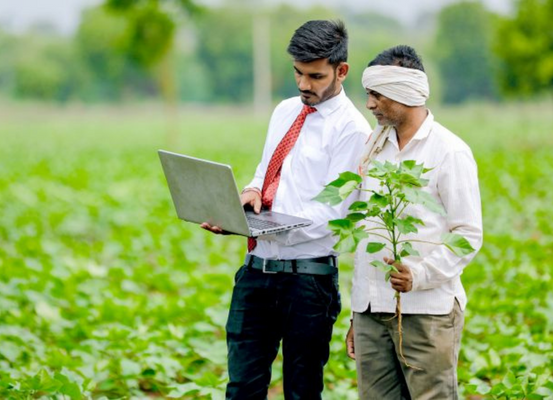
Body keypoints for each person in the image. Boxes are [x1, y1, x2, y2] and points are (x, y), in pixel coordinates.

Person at [201, 20, 371, 400]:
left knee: (301, 392)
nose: (303, 85)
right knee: (241, 388)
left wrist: (266, 226)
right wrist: (248, 197)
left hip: (307, 282)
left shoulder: (352, 130)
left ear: (341, 71)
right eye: (297, 72)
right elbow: (267, 170)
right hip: (256, 272)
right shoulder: (284, 111)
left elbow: (334, 213)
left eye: (315, 75)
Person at [346, 45, 483, 399]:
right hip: (371, 312)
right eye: (368, 95)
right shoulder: (373, 147)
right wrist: (356, 316)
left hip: (428, 313)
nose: (369, 104)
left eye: (376, 95)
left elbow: (467, 233)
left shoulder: (449, 151)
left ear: (404, 93)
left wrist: (419, 274)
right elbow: (364, 231)